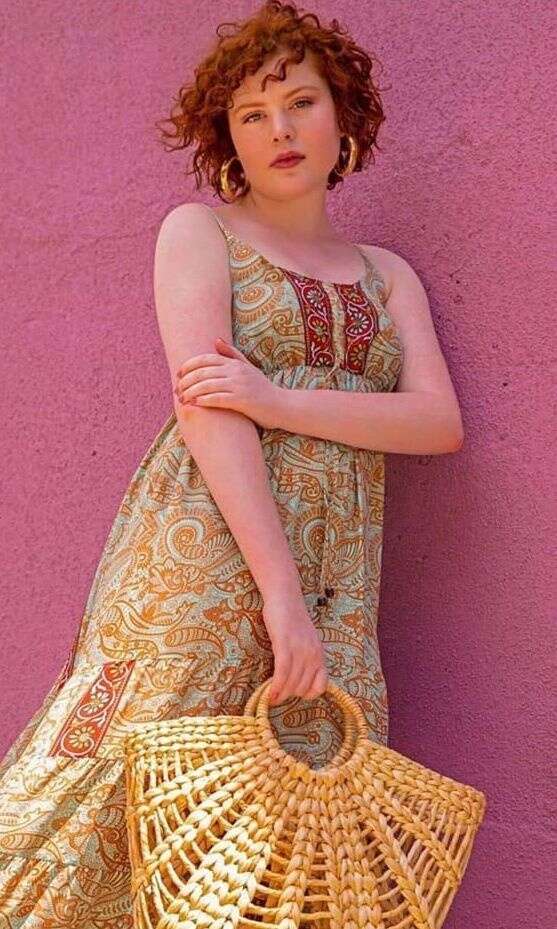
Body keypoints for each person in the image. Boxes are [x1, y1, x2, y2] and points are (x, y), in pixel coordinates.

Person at [0, 0, 464, 923]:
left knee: (291, 833)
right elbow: (205, 408)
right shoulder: (198, 233)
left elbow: (436, 422)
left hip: (338, 585)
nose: (279, 130)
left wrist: (275, 398)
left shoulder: (387, 274)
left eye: (301, 102)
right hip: (205, 568)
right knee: (115, 784)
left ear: (344, 117)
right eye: (253, 114)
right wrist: (278, 601)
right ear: (229, 139)